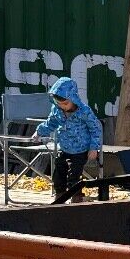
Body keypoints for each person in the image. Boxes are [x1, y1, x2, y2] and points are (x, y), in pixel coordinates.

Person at [35, 76, 103, 204]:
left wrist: (94, 148)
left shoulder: (84, 111)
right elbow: (51, 123)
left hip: (81, 150)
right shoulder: (57, 110)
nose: (63, 107)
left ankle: (76, 199)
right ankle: (60, 196)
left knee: (74, 175)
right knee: (58, 172)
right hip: (65, 148)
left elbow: (95, 129)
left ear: (73, 98)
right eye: (60, 104)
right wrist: (39, 132)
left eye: (66, 103)